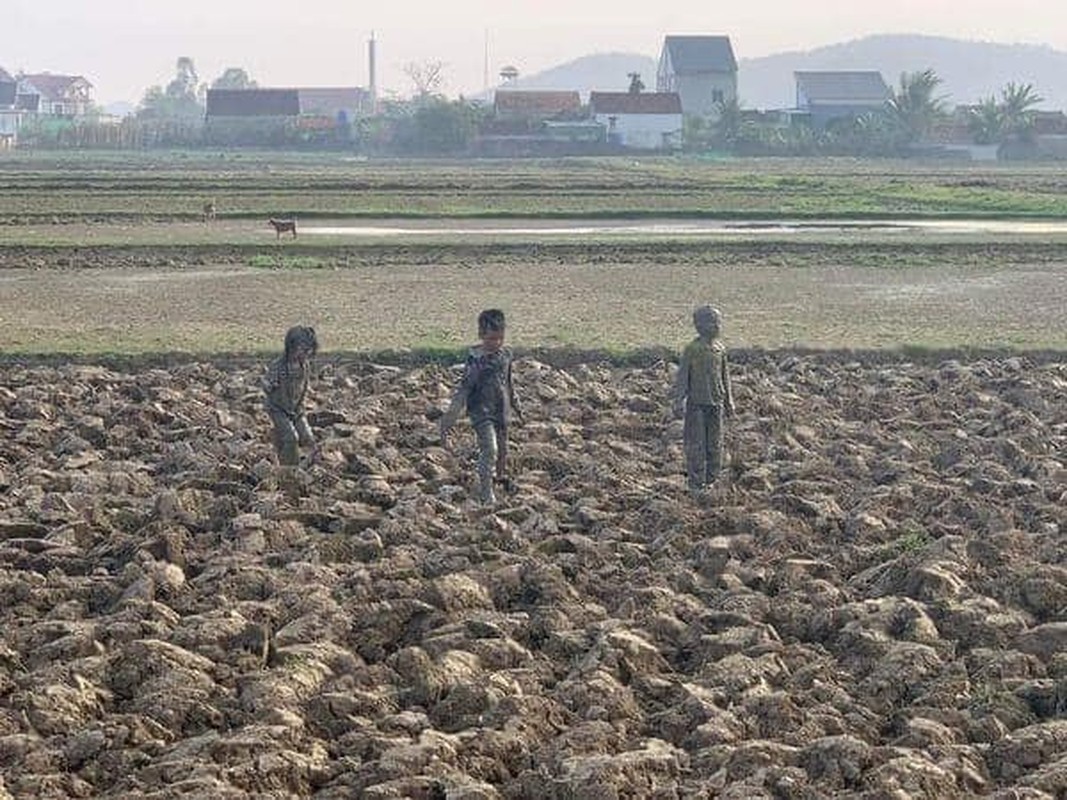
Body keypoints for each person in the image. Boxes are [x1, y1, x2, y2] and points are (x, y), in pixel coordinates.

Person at [440, 309, 523, 504]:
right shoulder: (476, 362)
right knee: (490, 449)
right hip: (481, 411)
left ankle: (498, 480)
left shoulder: (506, 355)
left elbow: (509, 382)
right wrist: (448, 420)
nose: (496, 343)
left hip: (501, 410)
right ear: (481, 335)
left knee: (503, 451)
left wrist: (517, 406)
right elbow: (464, 389)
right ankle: (486, 493)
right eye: (491, 339)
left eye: (500, 338)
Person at [671, 305, 735, 494]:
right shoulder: (693, 349)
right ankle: (696, 482)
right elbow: (683, 377)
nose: (717, 326)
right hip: (697, 403)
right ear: (699, 325)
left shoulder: (720, 349)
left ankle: (713, 479)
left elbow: (725, 377)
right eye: (712, 322)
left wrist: (729, 400)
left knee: (715, 442)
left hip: (716, 402)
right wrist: (678, 400)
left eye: (718, 322)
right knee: (696, 442)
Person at [262, 325, 319, 467]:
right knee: (290, 438)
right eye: (303, 349)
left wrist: (300, 406)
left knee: (308, 438)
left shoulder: (304, 366)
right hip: (278, 409)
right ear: (292, 347)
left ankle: (307, 465)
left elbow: (304, 386)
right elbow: (266, 383)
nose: (306, 353)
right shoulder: (279, 366)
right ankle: (289, 469)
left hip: (296, 408)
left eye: (308, 350)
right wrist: (269, 385)